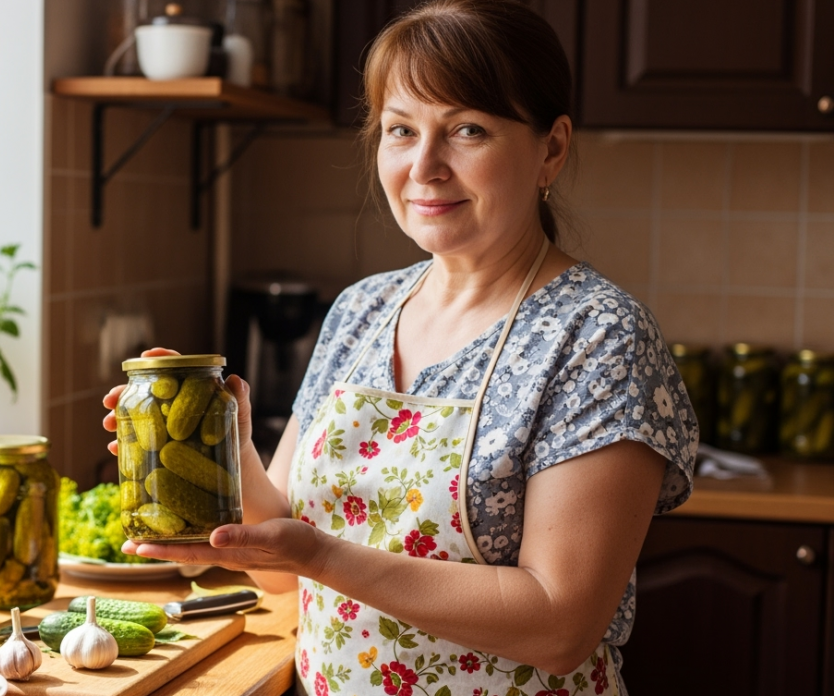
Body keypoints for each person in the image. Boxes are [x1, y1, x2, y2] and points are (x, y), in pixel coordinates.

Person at [101, 1, 697, 693]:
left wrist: (324, 557)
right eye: (400, 131)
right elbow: (278, 571)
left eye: (467, 129)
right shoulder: (362, 310)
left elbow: (561, 626)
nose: (425, 166)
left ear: (551, 149)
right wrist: (227, 463)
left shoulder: (599, 337)